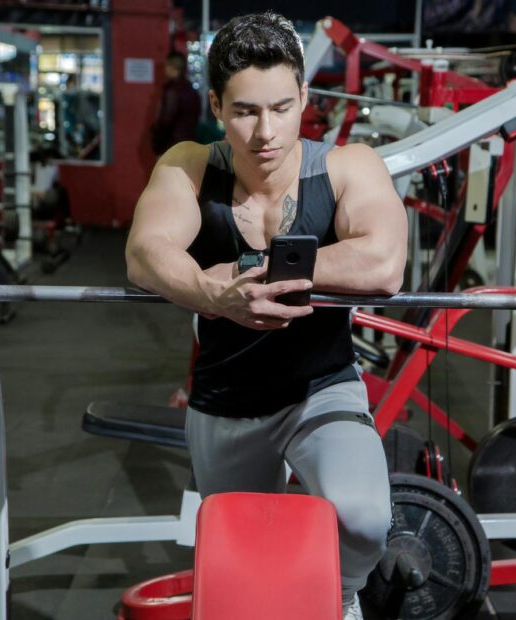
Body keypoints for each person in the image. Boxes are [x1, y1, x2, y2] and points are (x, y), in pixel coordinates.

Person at [126, 12, 407, 619]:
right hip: (227, 399)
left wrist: (256, 268)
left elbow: (384, 265)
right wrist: (213, 295)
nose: (265, 131)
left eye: (282, 107)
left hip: (322, 389)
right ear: (217, 106)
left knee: (363, 518)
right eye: (246, 111)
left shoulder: (348, 166)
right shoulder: (190, 164)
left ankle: (340, 599)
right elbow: (146, 255)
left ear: (305, 95)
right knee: (243, 567)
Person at [150, 52, 201, 155]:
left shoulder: (172, 90)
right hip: (189, 142)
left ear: (171, 67)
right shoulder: (191, 90)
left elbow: (166, 119)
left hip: (171, 144)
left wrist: (155, 135)